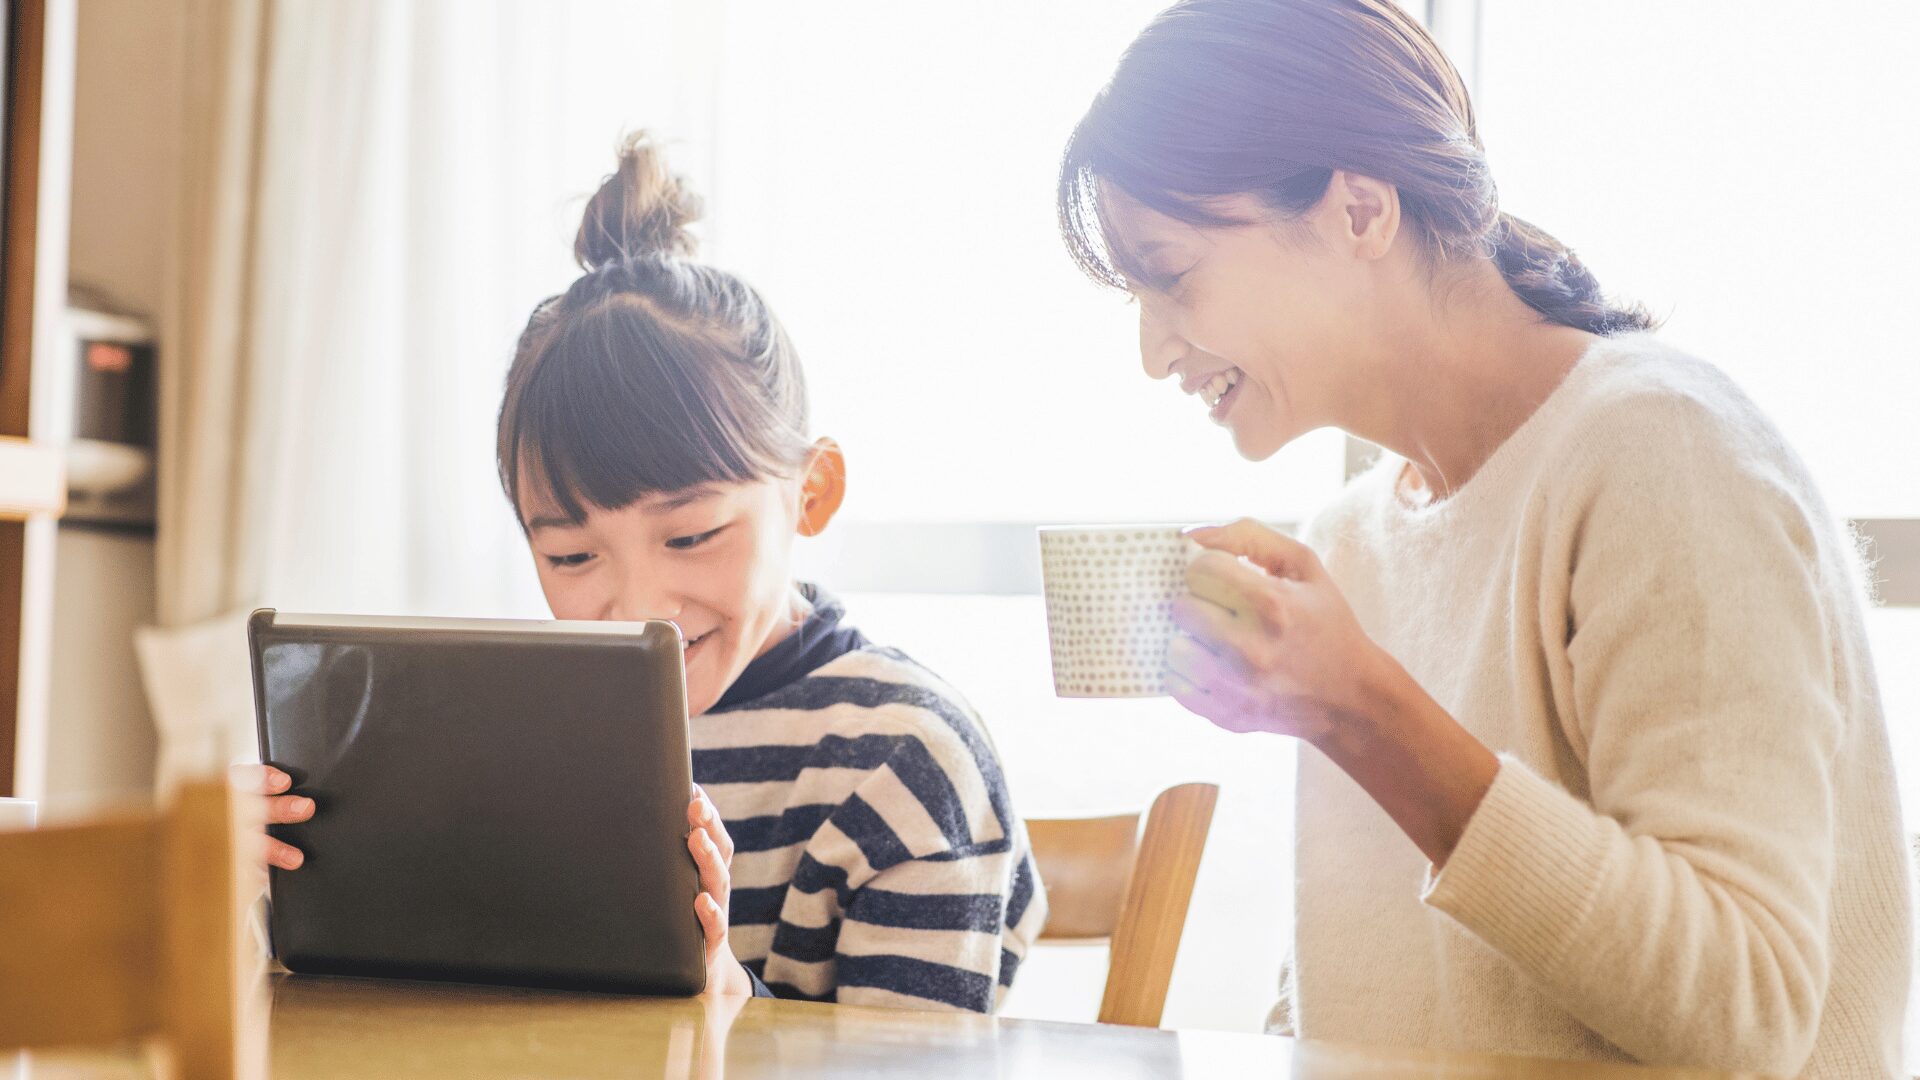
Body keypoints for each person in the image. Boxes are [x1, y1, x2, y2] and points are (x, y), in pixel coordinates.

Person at [1056, 1, 1910, 1075]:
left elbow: (1745, 1017)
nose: (1153, 351)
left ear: (1359, 211)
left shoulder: (1662, 453)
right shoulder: (1352, 546)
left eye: (1171, 275)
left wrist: (1363, 712)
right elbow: (1352, 996)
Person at [245, 132, 1045, 1012]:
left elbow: (910, 1065)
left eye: (693, 535)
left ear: (810, 494)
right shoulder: (501, 746)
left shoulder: (905, 762)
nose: (639, 609)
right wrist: (263, 901)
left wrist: (719, 1000)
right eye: (572, 556)